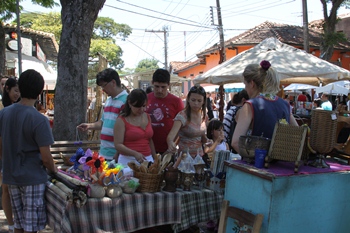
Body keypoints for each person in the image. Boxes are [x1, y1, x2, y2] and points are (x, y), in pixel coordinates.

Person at [0, 69, 57, 233]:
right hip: (32, 178)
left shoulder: (4, 113)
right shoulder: (39, 119)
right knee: (30, 228)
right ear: (39, 91)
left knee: (18, 225)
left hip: (11, 176)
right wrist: (54, 170)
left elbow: (1, 146)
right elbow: (46, 158)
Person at [231, 60, 298, 153]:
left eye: (245, 85)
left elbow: (236, 142)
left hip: (256, 164)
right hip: (281, 164)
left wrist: (257, 158)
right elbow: (297, 135)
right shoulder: (285, 104)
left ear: (252, 84)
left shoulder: (250, 106)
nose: (245, 89)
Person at [77, 68, 128, 161]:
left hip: (116, 155)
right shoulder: (108, 101)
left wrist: (119, 152)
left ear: (113, 82)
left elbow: (128, 131)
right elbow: (103, 122)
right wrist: (89, 126)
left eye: (103, 86)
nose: (103, 90)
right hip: (103, 153)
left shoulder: (127, 101)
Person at [114, 89, 156, 166]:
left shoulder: (147, 116)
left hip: (147, 159)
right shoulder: (121, 120)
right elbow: (118, 145)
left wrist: (155, 158)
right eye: (138, 107)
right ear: (130, 104)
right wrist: (134, 153)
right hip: (127, 160)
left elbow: (149, 139)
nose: (141, 110)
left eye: (144, 106)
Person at [146, 69, 184, 155]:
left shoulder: (176, 102)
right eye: (157, 86)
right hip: (146, 149)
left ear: (168, 85)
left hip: (168, 150)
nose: (160, 90)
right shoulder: (145, 99)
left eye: (163, 87)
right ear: (152, 83)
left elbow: (181, 128)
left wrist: (173, 146)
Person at [167, 85, 209, 158]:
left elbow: (203, 137)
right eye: (193, 100)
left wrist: (208, 141)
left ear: (203, 102)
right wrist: (171, 143)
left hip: (199, 157)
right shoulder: (182, 116)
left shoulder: (203, 115)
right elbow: (170, 137)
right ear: (188, 99)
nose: (196, 103)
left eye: (199, 101)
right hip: (184, 158)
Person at [0, 77, 20, 232]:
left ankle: (16, 221)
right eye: (15, 91)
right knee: (6, 188)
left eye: (19, 91)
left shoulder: (17, 106)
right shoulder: (2, 108)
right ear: (7, 89)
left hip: (16, 153)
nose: (17, 94)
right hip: (5, 153)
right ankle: (11, 223)